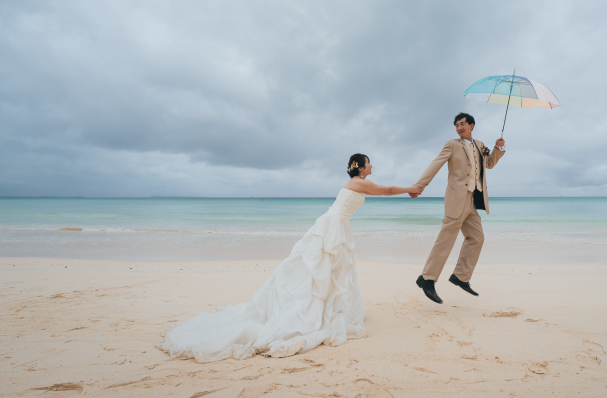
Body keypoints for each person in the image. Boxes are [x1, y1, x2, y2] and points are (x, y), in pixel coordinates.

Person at [158, 154, 422, 362]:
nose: (372, 165)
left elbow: (382, 190)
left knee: (327, 270)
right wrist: (411, 187)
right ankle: (316, 310)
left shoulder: (356, 183)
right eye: (369, 163)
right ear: (361, 167)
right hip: (333, 226)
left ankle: (327, 305)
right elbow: (386, 190)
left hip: (335, 226)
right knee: (321, 270)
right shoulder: (358, 182)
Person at [412, 113, 505, 304]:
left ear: (472, 125)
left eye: (463, 124)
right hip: (456, 200)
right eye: (456, 125)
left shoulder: (480, 145)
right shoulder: (452, 144)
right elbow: (436, 163)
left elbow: (489, 164)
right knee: (446, 240)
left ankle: (460, 277)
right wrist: (420, 185)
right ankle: (427, 279)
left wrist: (497, 148)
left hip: (473, 200)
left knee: (477, 238)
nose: (459, 127)